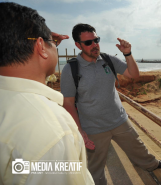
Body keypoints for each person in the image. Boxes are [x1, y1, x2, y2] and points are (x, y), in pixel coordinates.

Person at [60, 23, 161, 185]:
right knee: (95, 167)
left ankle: (152, 165)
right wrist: (80, 131)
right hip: (93, 128)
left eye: (96, 40)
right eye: (88, 42)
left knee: (138, 147)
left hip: (119, 120)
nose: (94, 45)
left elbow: (134, 74)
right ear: (78, 45)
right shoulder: (71, 69)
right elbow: (68, 102)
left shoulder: (108, 59)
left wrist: (128, 54)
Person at [0, 2, 94, 185]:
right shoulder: (52, 129)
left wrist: (45, 39)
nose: (56, 47)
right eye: (53, 43)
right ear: (41, 46)